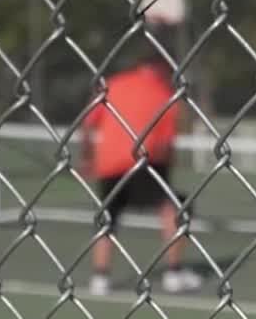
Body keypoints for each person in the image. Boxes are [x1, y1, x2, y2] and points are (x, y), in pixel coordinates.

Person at [82, 39, 202, 295]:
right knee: (175, 207)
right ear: (162, 68)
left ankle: (100, 278)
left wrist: (87, 158)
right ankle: (174, 272)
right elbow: (168, 142)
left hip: (109, 163)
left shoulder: (112, 85)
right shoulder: (165, 93)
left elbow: (88, 123)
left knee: (108, 217)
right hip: (144, 162)